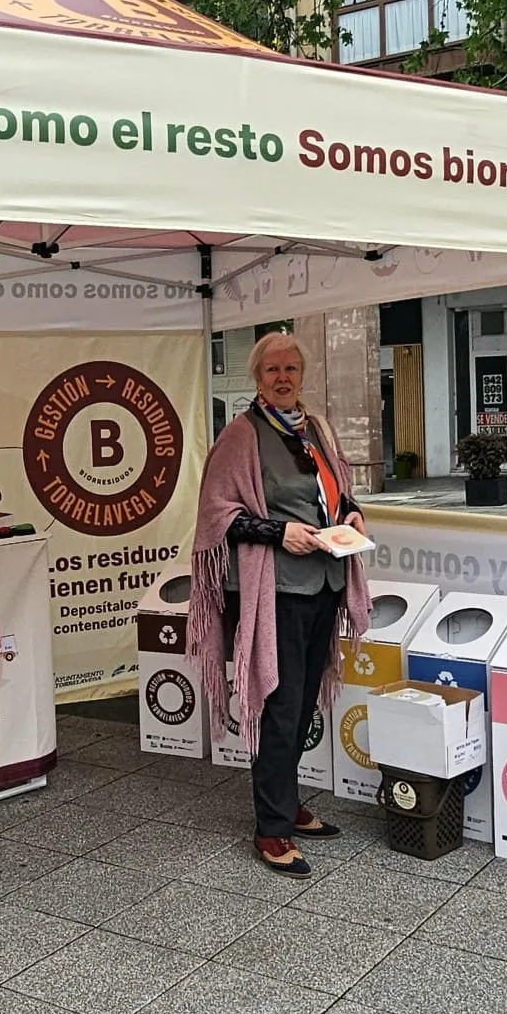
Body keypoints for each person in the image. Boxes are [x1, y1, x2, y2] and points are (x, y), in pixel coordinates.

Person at [189, 333, 372, 875]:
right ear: (257, 376)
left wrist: (354, 512)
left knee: (302, 702)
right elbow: (216, 514)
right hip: (276, 592)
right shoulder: (241, 434)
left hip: (325, 584)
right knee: (281, 704)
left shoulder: (316, 428)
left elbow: (335, 489)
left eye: (292, 368)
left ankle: (287, 803)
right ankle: (271, 828)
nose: (283, 377)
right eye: (273, 370)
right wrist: (276, 532)